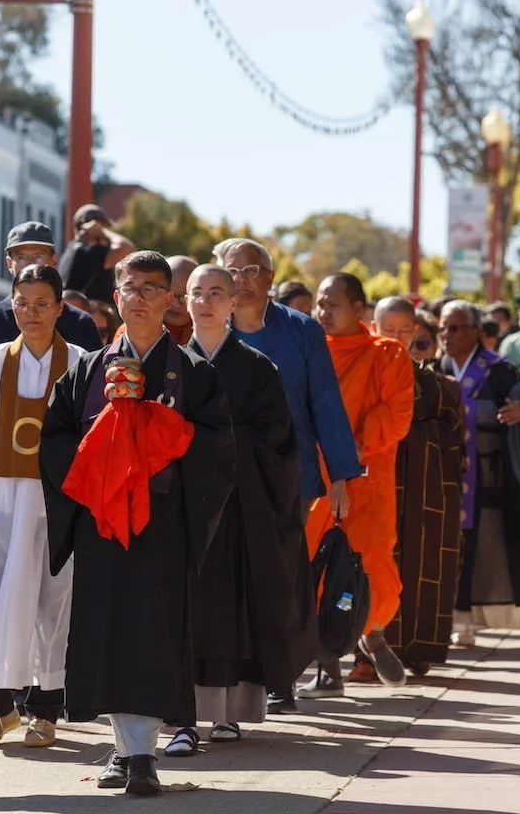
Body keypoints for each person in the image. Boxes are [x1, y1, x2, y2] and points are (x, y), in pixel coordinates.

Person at [40, 250, 234, 796]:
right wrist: (106, 439)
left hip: (161, 523)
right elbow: (53, 441)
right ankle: (125, 752)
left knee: (152, 632)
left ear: (170, 300)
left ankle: (143, 754)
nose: (141, 298)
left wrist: (152, 423)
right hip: (102, 522)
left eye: (153, 289)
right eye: (131, 287)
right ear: (116, 297)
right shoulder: (85, 371)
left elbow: (217, 448)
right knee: (105, 632)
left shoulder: (194, 374)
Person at [163, 265, 314, 756]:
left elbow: (278, 440)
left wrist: (214, 443)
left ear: (233, 302)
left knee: (233, 606)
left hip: (238, 510)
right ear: (183, 301)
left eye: (216, 294)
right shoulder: (171, 363)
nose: (205, 302)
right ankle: (182, 709)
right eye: (196, 293)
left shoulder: (257, 367)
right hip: (185, 507)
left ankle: (229, 711)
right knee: (185, 607)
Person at [215, 237, 362, 714]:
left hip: (287, 476)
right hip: (221, 475)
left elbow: (325, 402)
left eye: (251, 270)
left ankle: (280, 675)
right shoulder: (210, 326)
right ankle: (229, 677)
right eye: (232, 270)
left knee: (280, 574)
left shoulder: (301, 331)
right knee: (229, 576)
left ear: (270, 277)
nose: (241, 279)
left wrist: (339, 476)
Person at [0, 264, 85, 751]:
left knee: (51, 603)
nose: (31, 312)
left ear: (60, 308)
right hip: (1, 497)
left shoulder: (79, 362)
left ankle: (45, 711)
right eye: (22, 302)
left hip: (55, 502)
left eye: (42, 303)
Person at [300, 275, 414, 696]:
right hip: (317, 478)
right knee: (314, 564)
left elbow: (396, 417)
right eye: (320, 303)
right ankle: (328, 665)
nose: (323, 312)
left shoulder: (386, 353)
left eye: (332, 304)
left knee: (372, 565)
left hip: (366, 478)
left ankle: (374, 636)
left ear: (359, 310)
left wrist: (351, 453)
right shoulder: (308, 351)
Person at [355, 296, 464, 679]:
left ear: (417, 332)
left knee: (422, 563)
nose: (397, 339)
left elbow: (456, 436)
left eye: (405, 332)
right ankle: (364, 650)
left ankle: (419, 648)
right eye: (389, 330)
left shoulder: (437, 384)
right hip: (371, 479)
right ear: (373, 327)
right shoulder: (361, 368)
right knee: (365, 563)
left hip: (425, 487)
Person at [437, 301, 520, 645]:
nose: (447, 335)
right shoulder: (436, 367)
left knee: (482, 548)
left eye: (456, 328)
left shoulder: (499, 370)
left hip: (487, 476)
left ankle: (468, 622)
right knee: (445, 548)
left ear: (477, 332)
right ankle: (446, 619)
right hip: (444, 476)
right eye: (443, 328)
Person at [0, 221, 103, 350]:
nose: (30, 263)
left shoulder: (80, 323)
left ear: (54, 260)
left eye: (39, 255)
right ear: (9, 264)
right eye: (21, 257)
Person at [57, 204, 135, 304]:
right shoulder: (90, 252)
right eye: (105, 227)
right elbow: (127, 249)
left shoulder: (71, 250)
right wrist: (102, 231)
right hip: (90, 312)